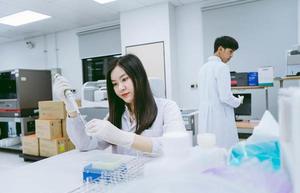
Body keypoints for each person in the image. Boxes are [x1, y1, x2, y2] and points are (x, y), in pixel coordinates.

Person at [53, 54, 186, 156]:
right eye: (115, 84)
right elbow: (86, 144)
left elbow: (176, 147)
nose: (120, 88)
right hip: (124, 182)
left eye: (124, 79)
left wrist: (122, 137)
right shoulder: (116, 114)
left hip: (156, 182)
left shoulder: (167, 108)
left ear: (139, 77)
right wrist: (70, 107)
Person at [197, 36, 244, 149]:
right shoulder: (222, 67)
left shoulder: (203, 68)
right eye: (230, 51)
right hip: (219, 117)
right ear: (220, 49)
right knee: (223, 150)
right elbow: (225, 97)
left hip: (205, 117)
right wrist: (238, 101)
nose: (232, 56)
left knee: (208, 150)